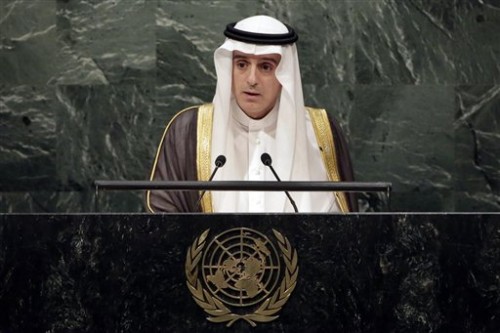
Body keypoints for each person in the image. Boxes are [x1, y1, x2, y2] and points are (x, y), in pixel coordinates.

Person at [146, 15, 357, 213]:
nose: (251, 79)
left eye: (265, 67)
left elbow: (346, 226)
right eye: (242, 64)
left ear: (285, 74)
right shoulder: (189, 130)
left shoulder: (320, 130)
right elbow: (164, 222)